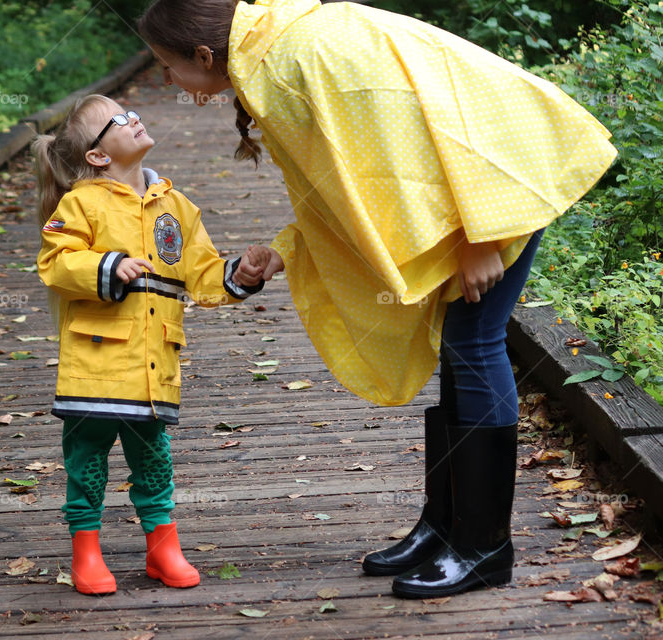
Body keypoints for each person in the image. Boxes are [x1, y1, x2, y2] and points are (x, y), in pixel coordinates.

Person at [138, 0, 617, 598]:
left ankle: (484, 546)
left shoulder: (293, 58)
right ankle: (447, 528)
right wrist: (288, 247)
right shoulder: (274, 55)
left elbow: (428, 124)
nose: (166, 81)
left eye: (165, 66)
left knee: (475, 341)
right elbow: (342, 179)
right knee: (459, 348)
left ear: (204, 55)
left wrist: (480, 234)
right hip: (474, 189)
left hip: (495, 181)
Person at [33, 93, 267, 595]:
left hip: (153, 367)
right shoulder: (81, 203)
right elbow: (56, 262)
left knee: (154, 459)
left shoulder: (176, 207)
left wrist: (239, 274)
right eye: (119, 119)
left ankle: (163, 549)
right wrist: (107, 265)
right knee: (87, 460)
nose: (134, 118)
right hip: (94, 364)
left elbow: (200, 275)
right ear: (98, 156)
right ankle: (86, 552)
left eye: (132, 111)